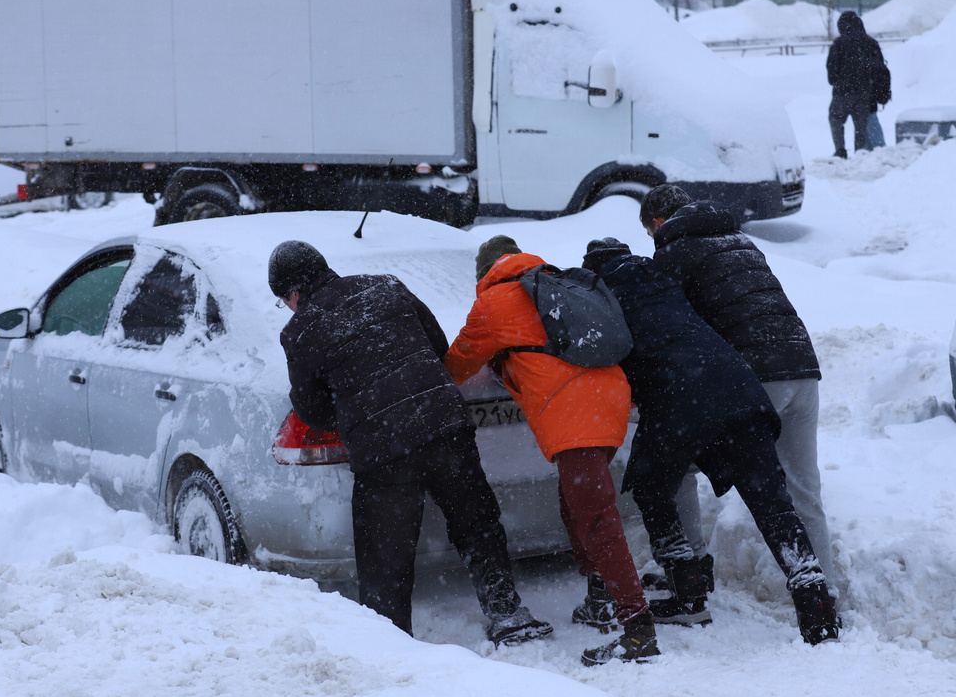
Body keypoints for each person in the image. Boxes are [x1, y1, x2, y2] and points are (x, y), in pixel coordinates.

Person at [270, 240, 552, 647]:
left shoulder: (300, 331)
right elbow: (436, 345)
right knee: (476, 523)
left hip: (384, 451)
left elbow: (312, 409)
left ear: (294, 292)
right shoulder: (386, 285)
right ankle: (507, 612)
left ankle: (394, 644)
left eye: (285, 301)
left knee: (386, 557)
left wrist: (357, 410)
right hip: (443, 423)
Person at [582, 238, 839, 646]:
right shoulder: (661, 278)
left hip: (680, 398)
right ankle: (817, 610)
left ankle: (688, 594)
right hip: (739, 387)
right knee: (772, 503)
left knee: (652, 489)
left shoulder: (602, 294)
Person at [443, 235, 658, 666]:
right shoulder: (555, 284)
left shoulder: (493, 302)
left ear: (484, 273)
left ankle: (637, 630)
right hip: (610, 398)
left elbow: (456, 366)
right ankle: (600, 597)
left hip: (573, 412)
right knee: (574, 501)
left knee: (597, 517)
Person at [640, 185, 837, 621]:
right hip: (802, 366)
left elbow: (672, 328)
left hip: (754, 376)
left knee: (677, 467)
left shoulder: (674, 251)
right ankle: (827, 592)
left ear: (657, 223)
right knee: (804, 488)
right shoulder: (738, 240)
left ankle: (691, 571)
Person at [826, 10, 886, 158]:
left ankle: (840, 150)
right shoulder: (871, 43)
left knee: (835, 120)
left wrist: (839, 81)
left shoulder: (838, 44)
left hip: (842, 93)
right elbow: (879, 69)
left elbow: (831, 73)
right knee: (860, 126)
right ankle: (860, 154)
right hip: (864, 93)